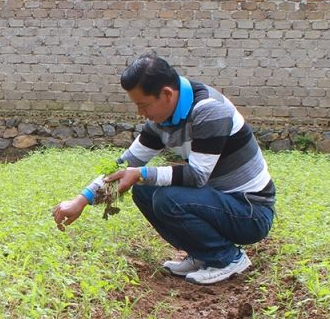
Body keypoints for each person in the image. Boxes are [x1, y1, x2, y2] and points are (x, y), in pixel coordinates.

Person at [52, 54, 275, 285]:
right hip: (218, 202)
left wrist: (142, 174)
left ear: (167, 94)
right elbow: (125, 165)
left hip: (250, 211)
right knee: (143, 191)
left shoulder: (210, 110)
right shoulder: (161, 121)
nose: (140, 113)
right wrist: (81, 200)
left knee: (167, 197)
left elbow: (197, 176)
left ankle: (227, 259)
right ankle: (202, 254)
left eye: (143, 105)